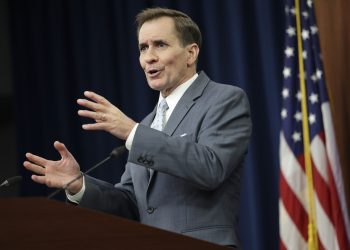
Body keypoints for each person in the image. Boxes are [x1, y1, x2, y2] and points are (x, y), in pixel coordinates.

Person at [23, 7, 252, 248]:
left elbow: (211, 167)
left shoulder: (224, 99)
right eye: (143, 48)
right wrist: (79, 184)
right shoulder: (147, 125)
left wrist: (132, 133)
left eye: (160, 45)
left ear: (191, 53)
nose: (149, 57)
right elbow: (131, 204)